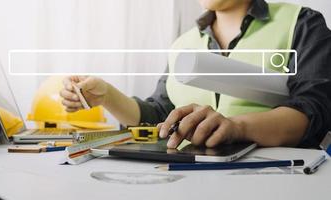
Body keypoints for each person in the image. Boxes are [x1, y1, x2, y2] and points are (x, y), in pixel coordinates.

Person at [60, 0, 331, 149]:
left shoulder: (302, 22)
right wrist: (106, 95)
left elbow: (314, 110)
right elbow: (158, 116)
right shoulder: (182, 44)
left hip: (280, 179)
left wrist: (236, 127)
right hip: (189, 178)